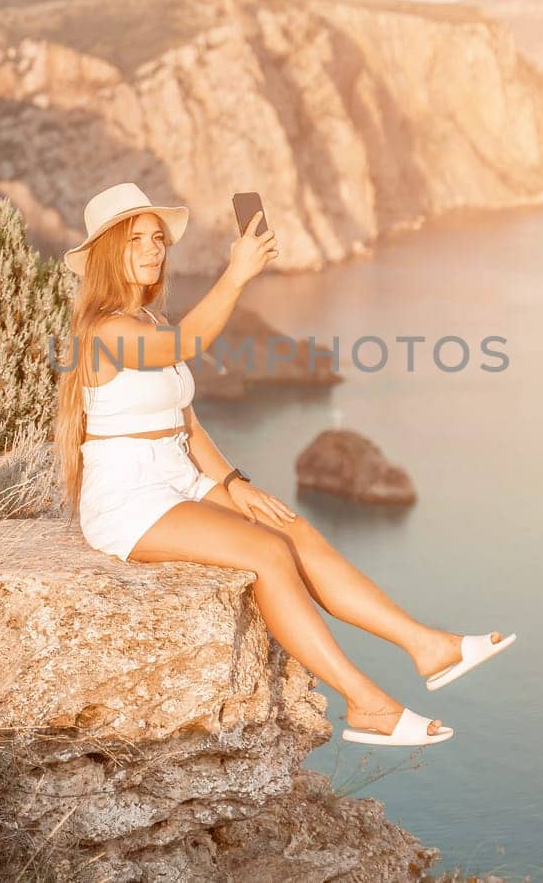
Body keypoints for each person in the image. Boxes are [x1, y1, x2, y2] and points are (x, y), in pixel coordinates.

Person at [52, 182, 515, 747]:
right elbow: (187, 346)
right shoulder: (104, 330)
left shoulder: (146, 321)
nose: (153, 250)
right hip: (129, 497)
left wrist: (232, 482)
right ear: (105, 255)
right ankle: (366, 704)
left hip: (179, 475)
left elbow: (185, 421)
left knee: (293, 531)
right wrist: (238, 274)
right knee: (267, 554)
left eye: (156, 239)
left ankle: (428, 646)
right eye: (135, 241)